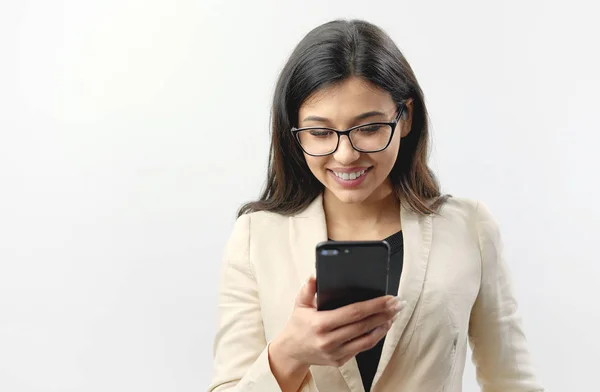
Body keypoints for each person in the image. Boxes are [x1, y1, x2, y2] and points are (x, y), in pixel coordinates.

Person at [208, 19, 543, 392]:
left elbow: (512, 382)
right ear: (295, 132)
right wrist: (290, 352)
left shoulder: (469, 228)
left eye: (368, 128)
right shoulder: (256, 237)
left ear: (405, 118)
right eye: (320, 133)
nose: (346, 155)